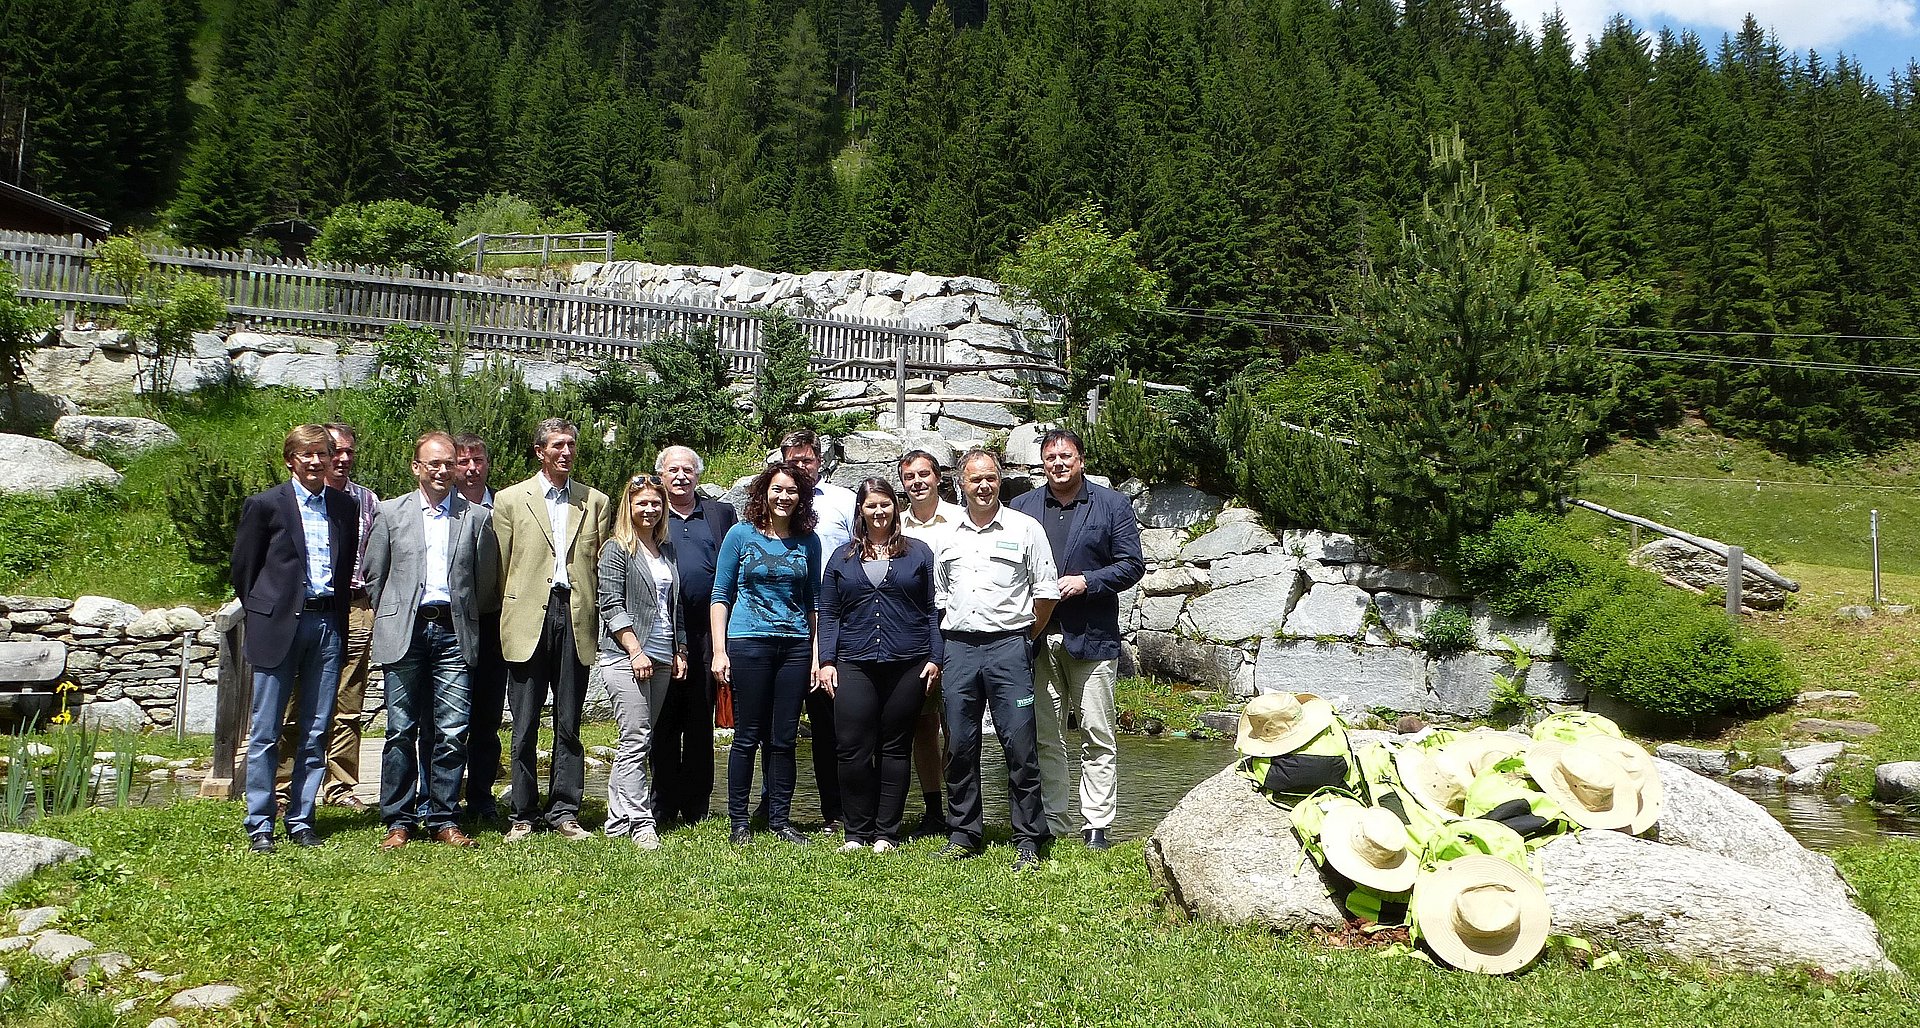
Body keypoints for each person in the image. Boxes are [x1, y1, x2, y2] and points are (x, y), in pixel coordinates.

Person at [362, 432, 499, 850]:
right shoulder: (390, 513)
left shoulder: (475, 517)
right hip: (406, 630)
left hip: (455, 633)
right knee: (400, 729)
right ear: (416, 467)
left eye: (448, 464)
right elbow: (375, 574)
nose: (442, 471)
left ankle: (444, 818)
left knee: (453, 731)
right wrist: (395, 611)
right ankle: (399, 820)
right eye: (433, 463)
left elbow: (484, 581)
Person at [1009, 428, 1144, 850]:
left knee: (1096, 733)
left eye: (1066, 456)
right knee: (1044, 735)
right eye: (1050, 458)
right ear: (1042, 463)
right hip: (1036, 637)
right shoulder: (1022, 508)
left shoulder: (1112, 504)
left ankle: (1096, 826)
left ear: (1081, 460)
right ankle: (1053, 820)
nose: (1058, 463)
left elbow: (1132, 565)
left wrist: (1088, 581)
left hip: (1092, 636)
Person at [231, 425, 360, 852]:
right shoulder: (266, 505)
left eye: (323, 453)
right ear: (291, 460)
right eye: (307, 454)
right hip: (280, 625)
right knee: (266, 730)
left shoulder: (344, 506)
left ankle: (302, 819)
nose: (317, 462)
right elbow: (244, 570)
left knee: (317, 727)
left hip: (326, 626)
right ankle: (260, 822)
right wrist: (267, 611)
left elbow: (345, 567)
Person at [933, 449, 1059, 871]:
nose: (983, 486)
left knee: (1020, 746)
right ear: (961, 484)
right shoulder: (948, 535)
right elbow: (941, 596)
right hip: (959, 649)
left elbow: (1045, 593)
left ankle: (1029, 837)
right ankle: (964, 833)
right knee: (959, 745)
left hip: (1009, 648)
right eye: (975, 479)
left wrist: (1024, 639)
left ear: (1000, 480)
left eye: (990, 477)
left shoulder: (1026, 528)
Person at [493, 418, 611, 842]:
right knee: (524, 723)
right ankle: (522, 813)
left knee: (569, 721)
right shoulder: (510, 500)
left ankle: (564, 810)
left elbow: (598, 565)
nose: (566, 452)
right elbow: (501, 566)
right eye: (558, 445)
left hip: (575, 615)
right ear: (540, 451)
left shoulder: (594, 501)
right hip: (527, 617)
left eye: (571, 445)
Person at [816, 478, 943, 853]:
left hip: (908, 662)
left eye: (885, 504)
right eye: (871, 505)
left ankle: (887, 832)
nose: (879, 511)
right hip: (853, 661)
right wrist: (826, 660)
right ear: (861, 510)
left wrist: (935, 658)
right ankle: (856, 831)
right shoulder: (841, 558)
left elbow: (932, 610)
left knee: (895, 747)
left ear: (895, 507)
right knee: (851, 748)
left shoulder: (918, 553)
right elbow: (829, 613)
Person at [711, 460, 821, 846]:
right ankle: (739, 822)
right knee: (747, 736)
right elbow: (721, 594)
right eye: (777, 489)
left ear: (801, 497)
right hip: (749, 643)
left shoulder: (808, 541)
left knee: (784, 738)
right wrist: (719, 650)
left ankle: (780, 820)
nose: (784, 497)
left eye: (792, 491)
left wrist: (815, 656)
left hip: (794, 646)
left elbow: (813, 602)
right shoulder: (740, 535)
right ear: (764, 492)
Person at [276, 422, 378, 810]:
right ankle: (284, 787)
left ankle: (340, 786)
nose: (343, 458)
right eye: (335, 450)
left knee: (348, 702)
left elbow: (377, 556)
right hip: (305, 608)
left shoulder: (366, 500)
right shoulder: (293, 500)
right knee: (295, 700)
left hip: (354, 606)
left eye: (350, 451)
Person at [596, 474, 687, 850]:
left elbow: (674, 605)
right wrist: (635, 650)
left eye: (655, 503)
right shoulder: (616, 549)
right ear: (628, 507)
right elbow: (610, 605)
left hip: (663, 655)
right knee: (635, 738)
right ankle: (641, 822)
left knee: (640, 739)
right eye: (642, 503)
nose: (649, 509)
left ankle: (617, 820)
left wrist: (680, 649)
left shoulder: (666, 550)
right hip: (625, 655)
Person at [654, 445, 736, 826]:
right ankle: (663, 805)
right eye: (673, 470)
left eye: (688, 470)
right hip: (664, 629)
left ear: (698, 475)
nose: (681, 476)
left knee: (701, 720)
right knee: (665, 719)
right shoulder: (652, 511)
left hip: (709, 631)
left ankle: (696, 808)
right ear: (661, 475)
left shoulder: (720, 513)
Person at [779, 429, 855, 832]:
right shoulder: (774, 501)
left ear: (819, 461)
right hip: (786, 617)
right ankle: (774, 808)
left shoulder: (843, 501)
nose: (800, 467)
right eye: (793, 461)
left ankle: (839, 810)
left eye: (806, 460)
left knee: (833, 721)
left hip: (837, 617)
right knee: (780, 721)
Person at [897, 449, 964, 838]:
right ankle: (934, 810)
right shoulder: (895, 525)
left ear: (939, 477)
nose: (917, 482)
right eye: (909, 477)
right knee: (923, 723)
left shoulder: (960, 519)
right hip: (914, 630)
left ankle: (962, 808)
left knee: (958, 722)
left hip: (957, 625)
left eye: (924, 474)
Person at [453, 433, 508, 824]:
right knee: (445, 717)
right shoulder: (442, 507)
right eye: (463, 461)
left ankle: (481, 796)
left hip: (493, 623)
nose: (471, 469)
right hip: (451, 623)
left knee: (487, 717)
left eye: (478, 461)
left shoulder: (503, 506)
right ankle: (438, 795)